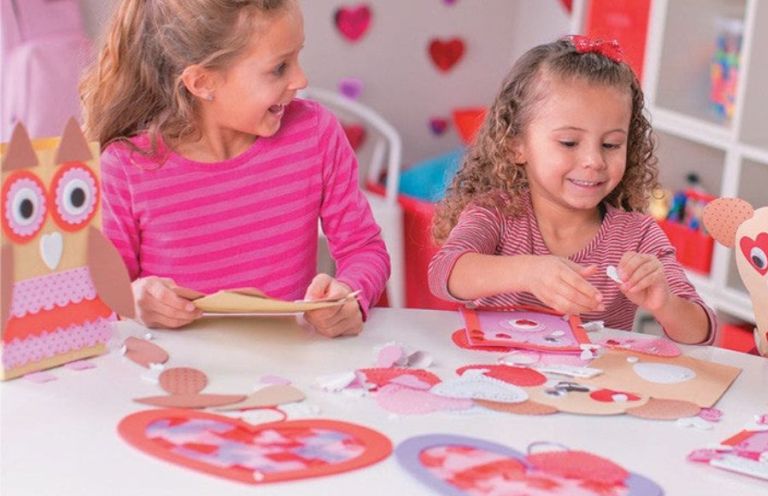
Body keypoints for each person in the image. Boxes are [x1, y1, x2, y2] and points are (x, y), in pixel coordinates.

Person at [79, 0, 388, 337]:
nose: (301, 79)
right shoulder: (126, 169)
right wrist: (132, 301)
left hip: (290, 369)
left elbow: (364, 248)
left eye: (297, 56)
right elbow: (96, 299)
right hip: (176, 373)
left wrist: (350, 294)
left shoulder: (315, 134)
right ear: (201, 83)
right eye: (279, 67)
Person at [428, 37, 716, 344]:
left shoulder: (638, 235)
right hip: (501, 379)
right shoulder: (495, 214)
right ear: (516, 145)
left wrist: (666, 304)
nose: (594, 161)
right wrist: (528, 272)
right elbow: (444, 272)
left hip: (592, 389)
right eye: (569, 142)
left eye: (611, 145)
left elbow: (702, 335)